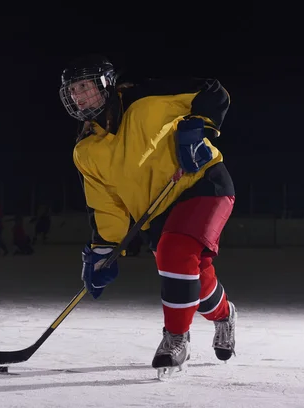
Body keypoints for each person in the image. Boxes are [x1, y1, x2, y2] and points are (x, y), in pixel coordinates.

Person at [59, 55, 237, 373]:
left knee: (175, 252)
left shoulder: (146, 98)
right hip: (157, 211)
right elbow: (106, 204)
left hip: (203, 183)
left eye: (84, 86)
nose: (78, 96)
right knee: (195, 275)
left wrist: (199, 126)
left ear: (105, 84)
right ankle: (224, 315)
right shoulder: (86, 150)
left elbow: (213, 91)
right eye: (72, 91)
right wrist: (103, 251)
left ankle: (176, 339)